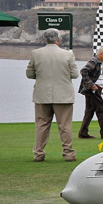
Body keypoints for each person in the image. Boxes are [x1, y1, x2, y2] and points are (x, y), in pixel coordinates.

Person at [25, 28, 78, 162]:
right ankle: (68, 154)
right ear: (58, 39)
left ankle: (38, 154)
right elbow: (75, 74)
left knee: (42, 125)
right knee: (65, 126)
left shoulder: (35, 53)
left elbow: (29, 74)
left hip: (42, 94)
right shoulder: (68, 55)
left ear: (45, 39)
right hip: (64, 95)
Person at [78, 46, 103, 139]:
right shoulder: (94, 61)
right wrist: (91, 85)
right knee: (102, 110)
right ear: (101, 54)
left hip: (91, 89)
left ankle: (83, 133)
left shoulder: (97, 62)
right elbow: (83, 71)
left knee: (89, 111)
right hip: (93, 90)